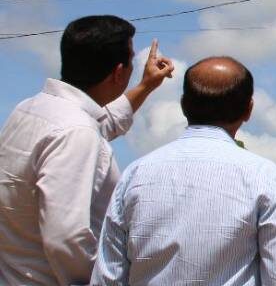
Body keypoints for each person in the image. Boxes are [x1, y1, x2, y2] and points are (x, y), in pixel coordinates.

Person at [91, 56, 276, 285]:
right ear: (248, 110)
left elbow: (107, 276)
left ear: (183, 105)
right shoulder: (264, 176)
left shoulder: (136, 174)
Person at [0, 15, 174, 286]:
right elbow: (66, 237)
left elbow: (100, 123)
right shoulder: (76, 132)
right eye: (131, 61)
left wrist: (146, 85)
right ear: (118, 72)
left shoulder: (32, 109)